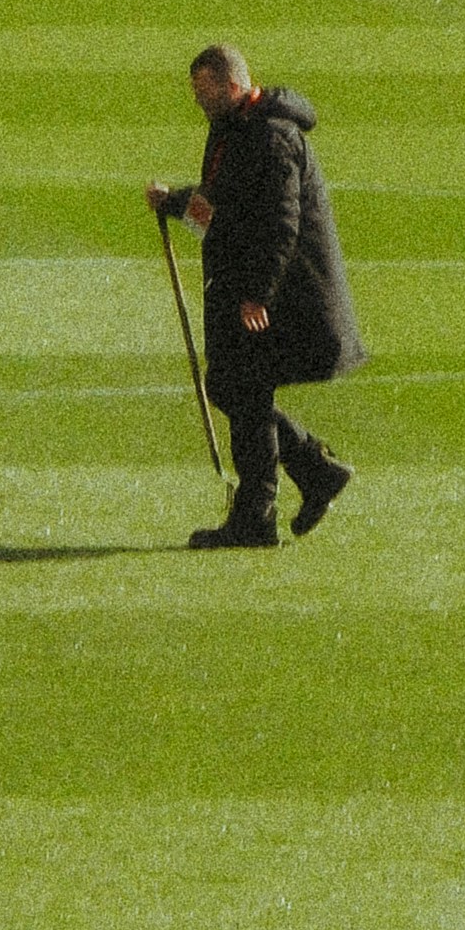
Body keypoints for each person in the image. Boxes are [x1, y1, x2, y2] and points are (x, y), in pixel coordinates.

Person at [146, 46, 363, 552]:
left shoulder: (272, 137)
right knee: (233, 385)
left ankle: (262, 511)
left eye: (205, 90)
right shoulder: (232, 129)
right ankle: (309, 475)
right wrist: (176, 203)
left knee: (240, 387)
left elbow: (282, 223)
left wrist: (256, 295)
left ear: (233, 84)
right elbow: (218, 207)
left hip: (280, 293)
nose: (199, 101)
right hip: (252, 286)